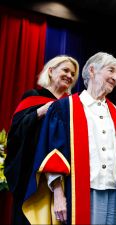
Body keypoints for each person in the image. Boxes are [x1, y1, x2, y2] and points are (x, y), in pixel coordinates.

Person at [22, 52, 116, 225]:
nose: (115, 77)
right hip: (82, 192)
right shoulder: (64, 109)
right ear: (93, 70)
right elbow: (54, 155)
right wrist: (58, 196)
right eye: (111, 71)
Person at [4, 55, 79, 225]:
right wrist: (40, 112)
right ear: (51, 71)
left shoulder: (71, 106)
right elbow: (16, 133)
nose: (70, 75)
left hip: (64, 177)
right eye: (65, 70)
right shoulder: (33, 97)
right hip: (34, 175)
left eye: (73, 74)